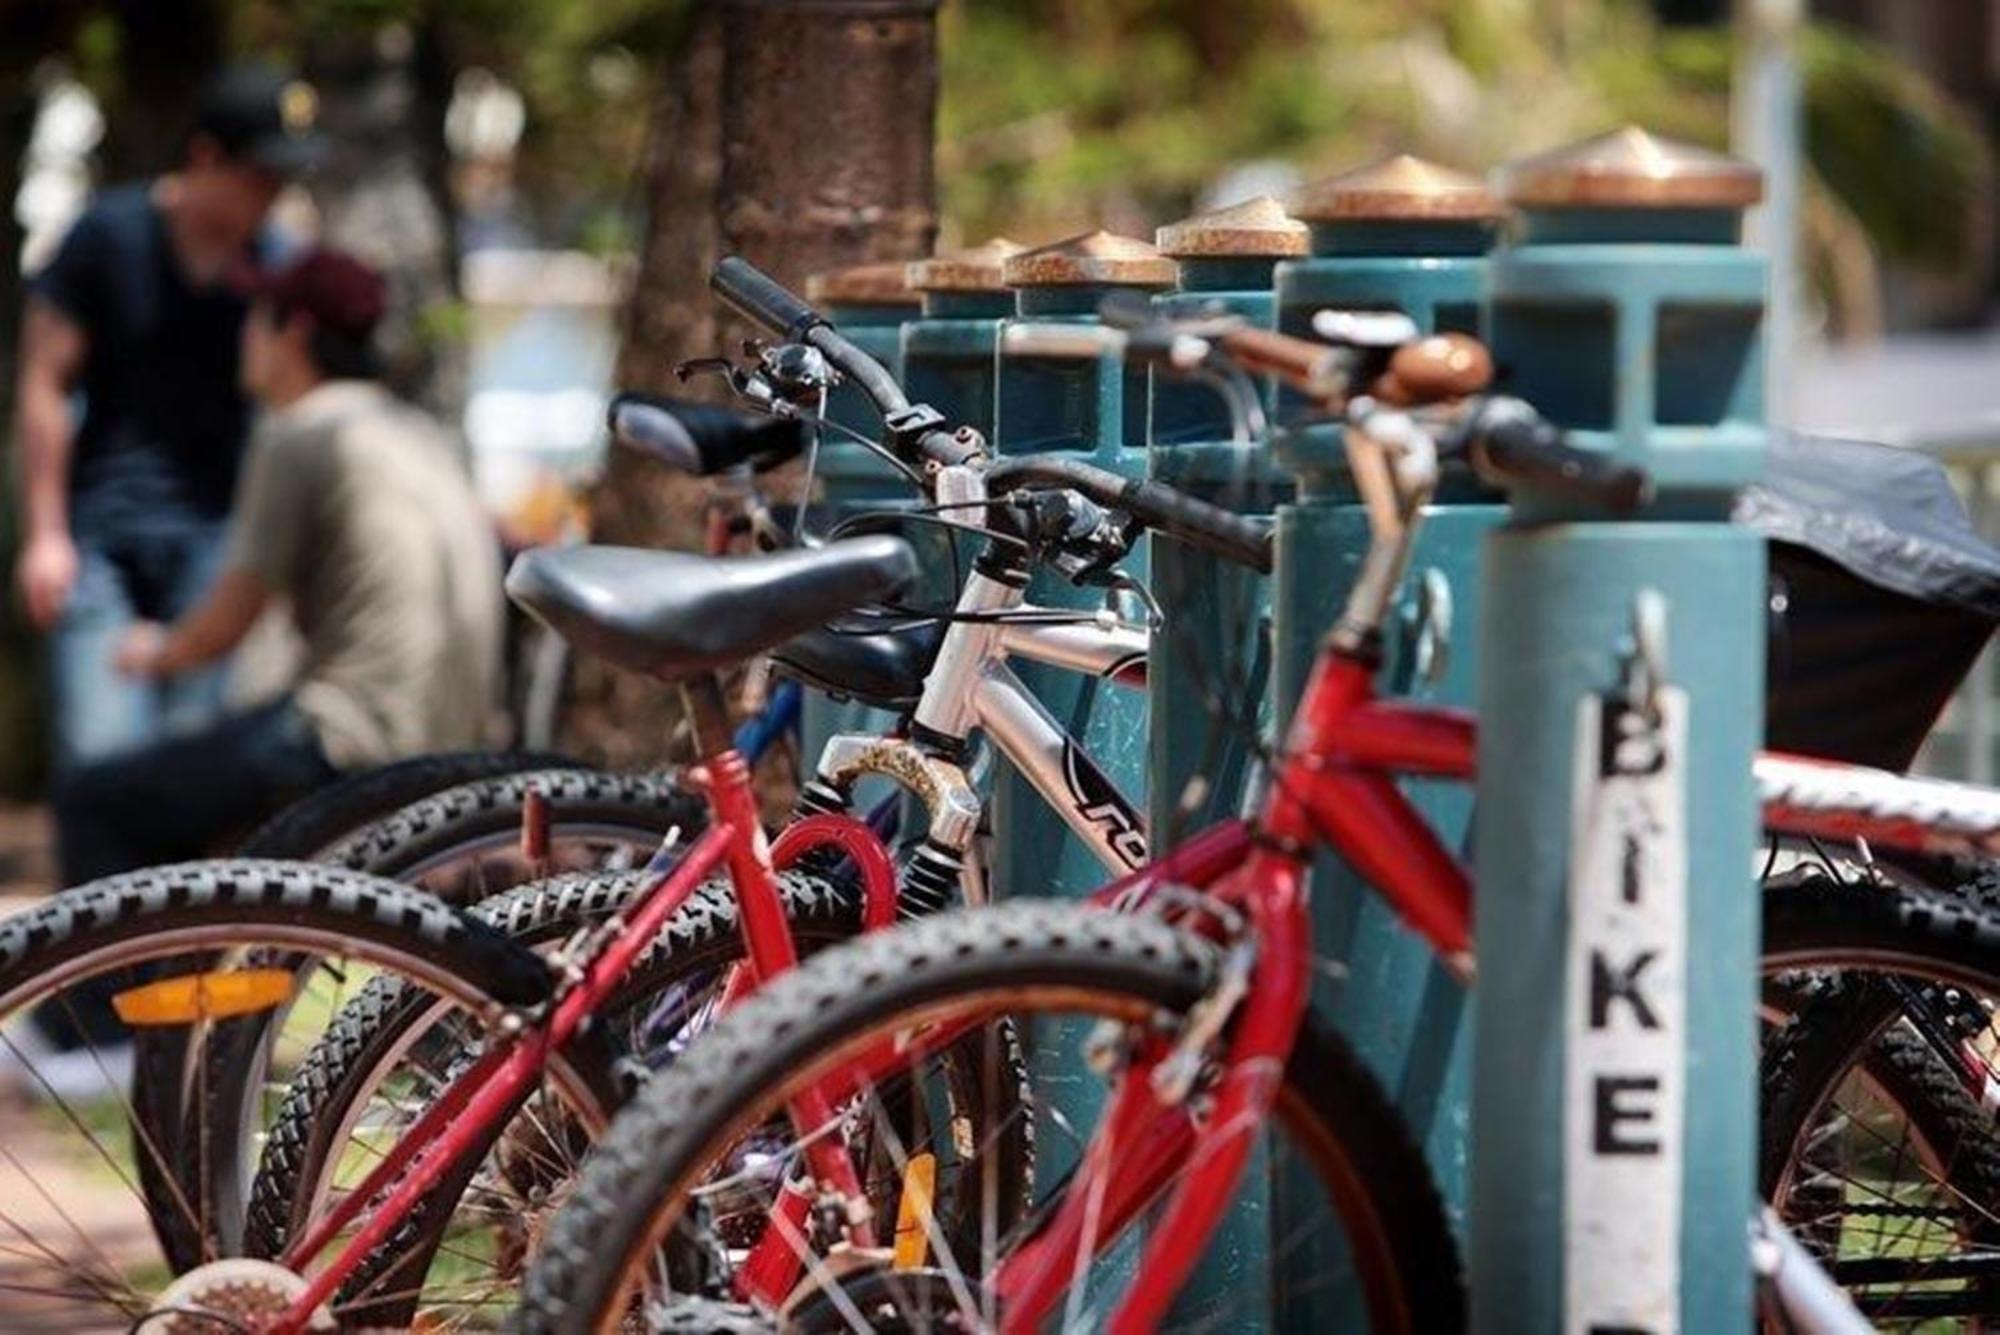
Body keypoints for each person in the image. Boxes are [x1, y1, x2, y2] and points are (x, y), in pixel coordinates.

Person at [53, 247, 504, 890]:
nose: (244, 336)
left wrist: (158, 651)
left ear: (291, 330)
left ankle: (96, 991)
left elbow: (230, 619)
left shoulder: (303, 432)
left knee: (98, 803)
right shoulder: (413, 429)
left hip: (345, 744)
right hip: (442, 749)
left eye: (254, 316)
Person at [14, 64, 322, 774]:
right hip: (100, 543)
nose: (273, 195)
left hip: (218, 542)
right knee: (101, 755)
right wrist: (45, 534)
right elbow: (44, 382)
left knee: (187, 768)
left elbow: (293, 408)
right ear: (205, 156)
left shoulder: (275, 265)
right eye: (259, 175)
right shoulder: (104, 237)